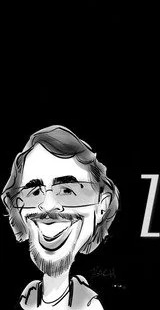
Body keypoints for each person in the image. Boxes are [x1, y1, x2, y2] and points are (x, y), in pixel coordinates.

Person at [4, 127, 117, 308]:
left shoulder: (89, 305)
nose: (47, 206)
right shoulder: (27, 296)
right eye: (33, 192)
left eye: (67, 190)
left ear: (101, 205)